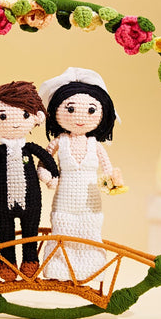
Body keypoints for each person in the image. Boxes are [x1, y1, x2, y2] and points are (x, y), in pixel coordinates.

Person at [38, 67, 124, 282]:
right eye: (70, 109)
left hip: (90, 200)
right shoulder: (59, 142)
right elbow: (44, 163)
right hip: (64, 200)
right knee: (62, 229)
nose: (80, 117)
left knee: (89, 229)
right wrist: (48, 177)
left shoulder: (96, 145)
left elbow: (107, 168)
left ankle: (90, 267)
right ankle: (58, 265)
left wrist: (113, 179)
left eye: (91, 111)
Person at [0, 81, 59, 282]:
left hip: (31, 201)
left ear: (35, 117)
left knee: (30, 232)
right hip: (2, 202)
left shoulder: (30, 148)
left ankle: (30, 260)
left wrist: (54, 175)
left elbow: (47, 158)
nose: (14, 122)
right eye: (3, 116)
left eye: (24, 115)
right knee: (5, 234)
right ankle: (8, 263)